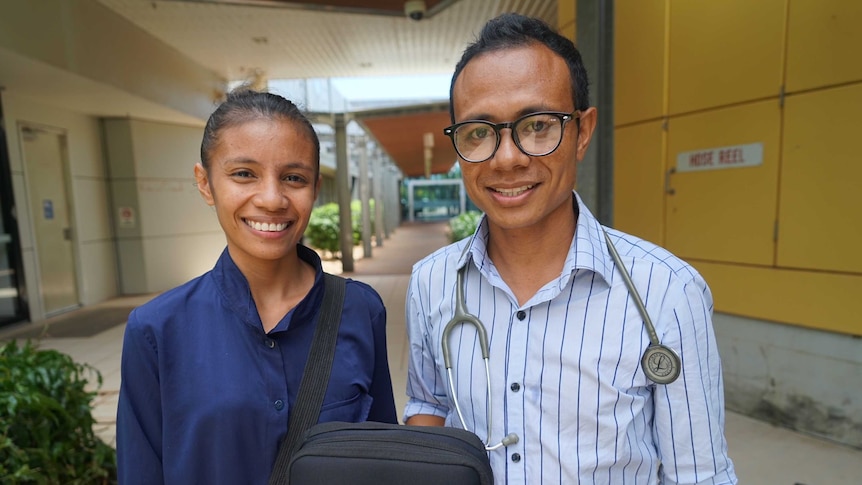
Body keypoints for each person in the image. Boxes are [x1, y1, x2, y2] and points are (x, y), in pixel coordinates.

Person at [404, 13, 737, 484]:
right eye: (478, 132)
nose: (507, 158)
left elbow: (699, 474)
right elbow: (428, 405)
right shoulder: (431, 283)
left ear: (582, 132)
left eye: (537, 125)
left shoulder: (666, 291)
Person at [116, 88, 398, 484]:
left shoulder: (360, 309)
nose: (271, 199)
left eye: (293, 178)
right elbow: (141, 472)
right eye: (244, 174)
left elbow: (382, 459)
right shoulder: (156, 329)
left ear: (315, 188)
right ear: (205, 183)